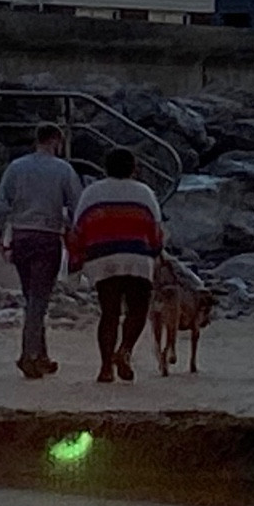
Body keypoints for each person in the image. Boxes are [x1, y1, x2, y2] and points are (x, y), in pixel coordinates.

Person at [0, 124, 83, 381]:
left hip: (21, 235)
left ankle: (41, 355)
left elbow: (1, 204)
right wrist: (78, 238)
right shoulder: (63, 170)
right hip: (47, 237)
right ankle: (28, 355)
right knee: (38, 301)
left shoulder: (16, 167)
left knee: (31, 296)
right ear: (57, 141)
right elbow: (77, 205)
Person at [67, 148, 165, 384]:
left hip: (103, 259)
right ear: (133, 168)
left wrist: (77, 262)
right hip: (137, 259)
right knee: (138, 312)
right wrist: (156, 253)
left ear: (105, 168)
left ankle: (105, 369)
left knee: (109, 313)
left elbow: (79, 229)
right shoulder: (145, 193)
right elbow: (155, 230)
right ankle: (125, 351)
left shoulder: (92, 192)